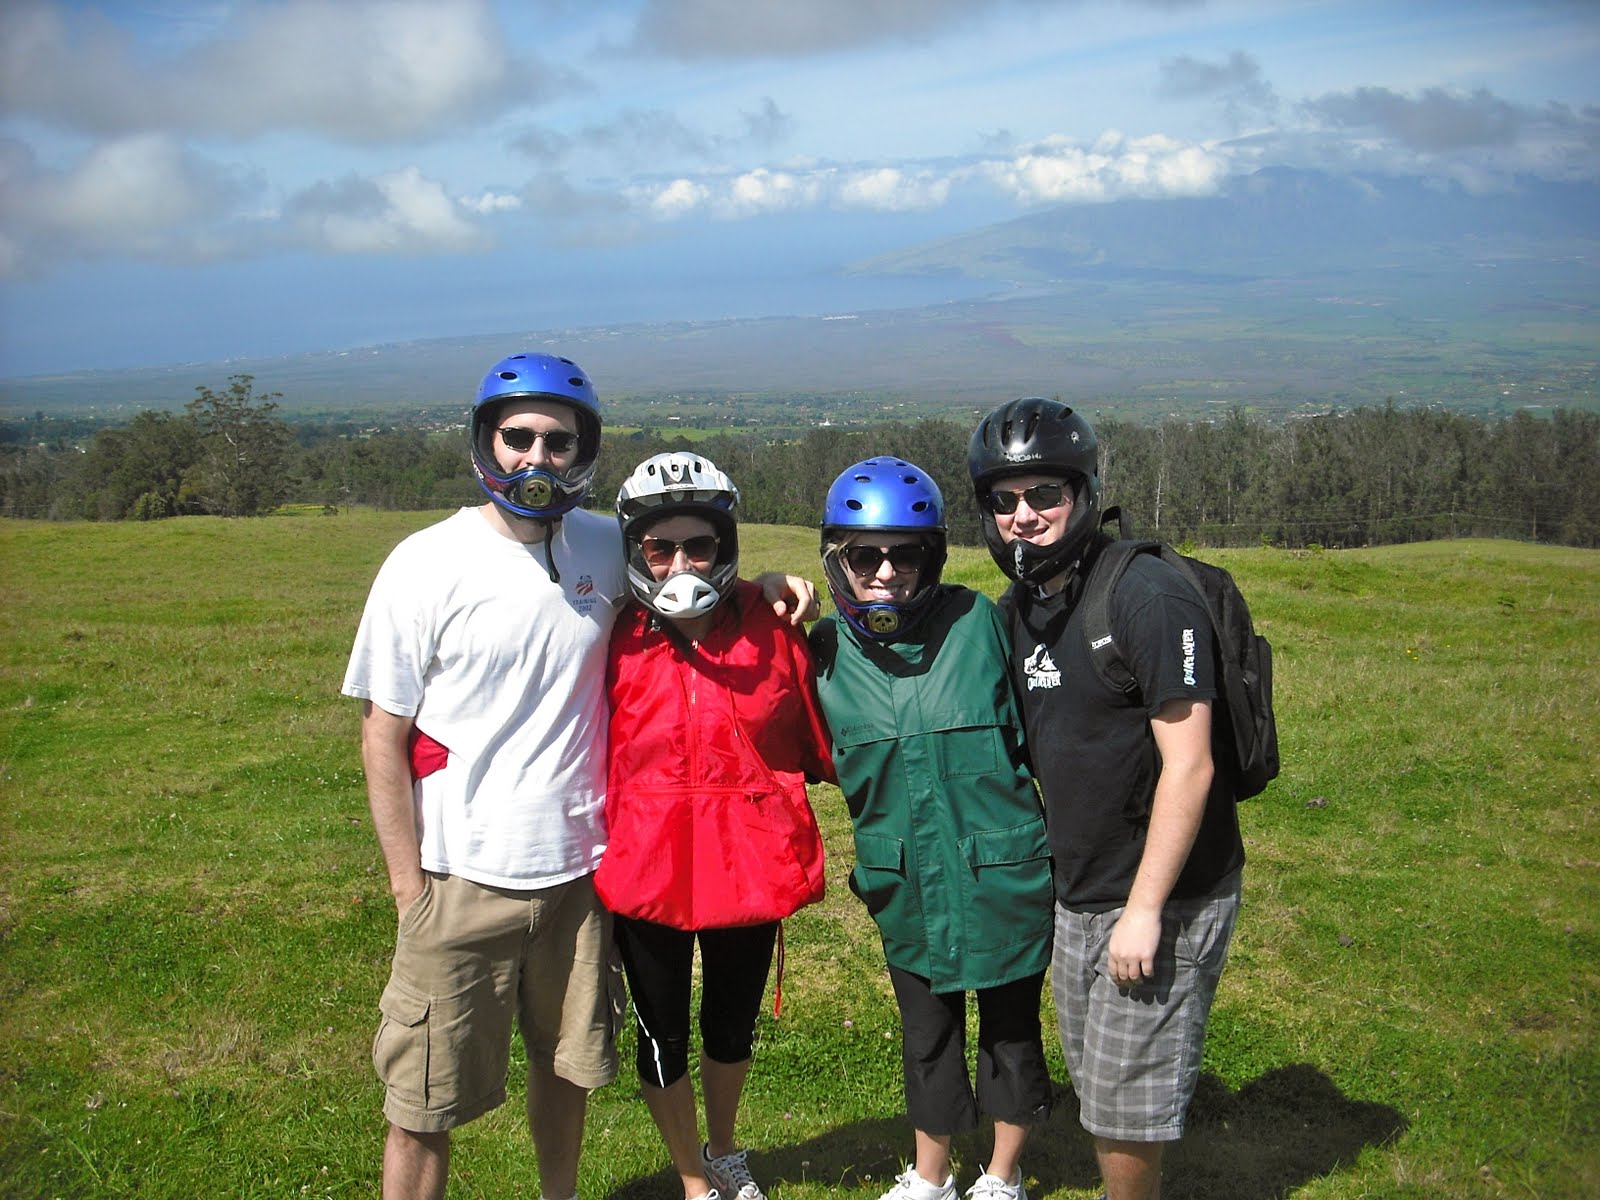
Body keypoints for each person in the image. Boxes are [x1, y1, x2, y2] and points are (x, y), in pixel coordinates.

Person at [342, 353, 817, 1200]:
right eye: (518, 437)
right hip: (460, 880)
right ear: (486, 441)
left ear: (582, 452)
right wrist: (408, 888)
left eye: (557, 442)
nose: (537, 457)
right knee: (422, 1102)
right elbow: (383, 735)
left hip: (580, 879)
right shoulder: (423, 563)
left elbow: (687, 570)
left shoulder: (602, 542)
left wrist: (766, 586)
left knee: (566, 1075)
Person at [967, 399, 1246, 1200]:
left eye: (1044, 494)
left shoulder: (1145, 595)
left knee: (1125, 1106)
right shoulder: (1025, 605)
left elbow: (1189, 765)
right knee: (1098, 1081)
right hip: (1080, 888)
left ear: (1085, 494)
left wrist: (1145, 910)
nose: (1024, 516)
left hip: (1164, 892)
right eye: (1005, 500)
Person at [808, 458, 1054, 1200]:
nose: (885, 572)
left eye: (904, 555)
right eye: (865, 556)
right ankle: (931, 1176)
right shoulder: (821, 653)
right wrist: (761, 592)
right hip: (906, 881)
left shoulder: (981, 624)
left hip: (1001, 873)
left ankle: (1003, 1176)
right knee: (926, 1035)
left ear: (933, 557)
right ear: (837, 561)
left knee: (1012, 1032)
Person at [596, 451, 834, 1200]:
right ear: (635, 551)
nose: (680, 564)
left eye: (699, 545)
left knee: (731, 1027)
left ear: (725, 546)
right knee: (661, 1031)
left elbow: (823, 735)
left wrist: (781, 590)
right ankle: (695, 1180)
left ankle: (724, 1149)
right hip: (647, 864)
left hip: (746, 862)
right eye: (659, 548)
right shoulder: (609, 633)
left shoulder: (772, 626)